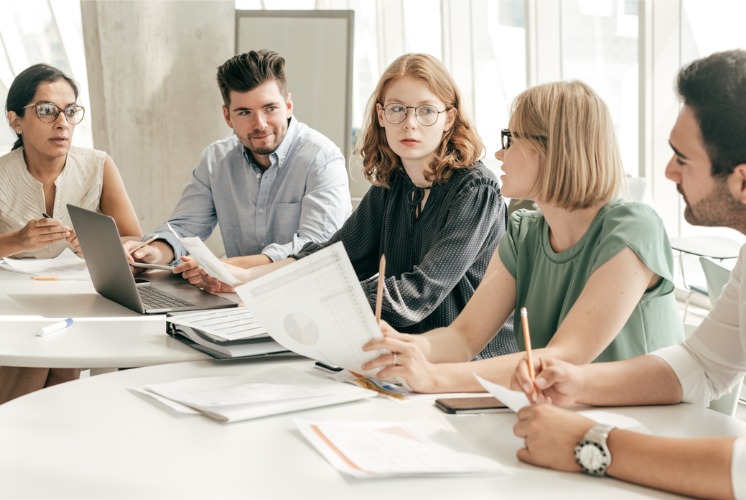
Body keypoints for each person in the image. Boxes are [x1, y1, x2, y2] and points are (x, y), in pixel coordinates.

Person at [512, 50, 746, 500]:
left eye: (683, 159)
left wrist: (595, 444)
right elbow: (705, 362)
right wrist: (581, 382)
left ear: (745, 182)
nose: (668, 172)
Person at [360, 80, 683, 391]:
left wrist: (433, 377)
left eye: (510, 139)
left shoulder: (633, 228)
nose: (500, 155)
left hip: (646, 424)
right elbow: (463, 338)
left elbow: (565, 357)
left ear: (553, 149)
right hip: (565, 414)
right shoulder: (522, 232)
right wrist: (402, 346)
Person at [202, 53, 515, 357]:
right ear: (381, 116)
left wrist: (294, 296)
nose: (409, 124)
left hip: (465, 364)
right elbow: (335, 257)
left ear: (449, 118)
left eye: (426, 111)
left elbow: (420, 292)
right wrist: (249, 279)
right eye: (397, 110)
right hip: (397, 351)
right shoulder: (394, 184)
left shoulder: (476, 190)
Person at [128, 49, 351, 272]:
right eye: (245, 112)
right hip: (237, 298)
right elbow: (183, 228)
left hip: (306, 293)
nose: (260, 124)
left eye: (270, 108)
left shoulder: (321, 158)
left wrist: (222, 267)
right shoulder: (215, 160)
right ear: (228, 116)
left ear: (288, 105)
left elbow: (319, 248)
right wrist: (152, 253)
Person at [0, 63, 142, 402]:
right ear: (15, 120)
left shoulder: (98, 164)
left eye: (70, 111)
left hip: (78, 296)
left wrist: (99, 246)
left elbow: (135, 239)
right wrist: (18, 240)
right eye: (46, 110)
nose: (62, 122)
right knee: (36, 358)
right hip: (13, 301)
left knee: (63, 357)